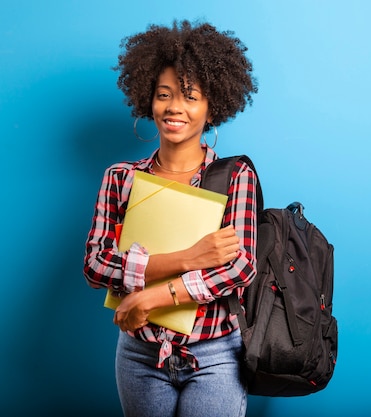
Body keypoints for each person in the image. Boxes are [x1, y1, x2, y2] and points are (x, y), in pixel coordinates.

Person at [83, 19, 259, 417]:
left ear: (212, 105)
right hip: (139, 354)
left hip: (215, 353)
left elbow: (239, 269)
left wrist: (151, 295)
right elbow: (95, 265)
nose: (174, 107)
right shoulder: (121, 178)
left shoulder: (235, 177)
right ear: (148, 99)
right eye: (164, 95)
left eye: (190, 96)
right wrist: (188, 258)